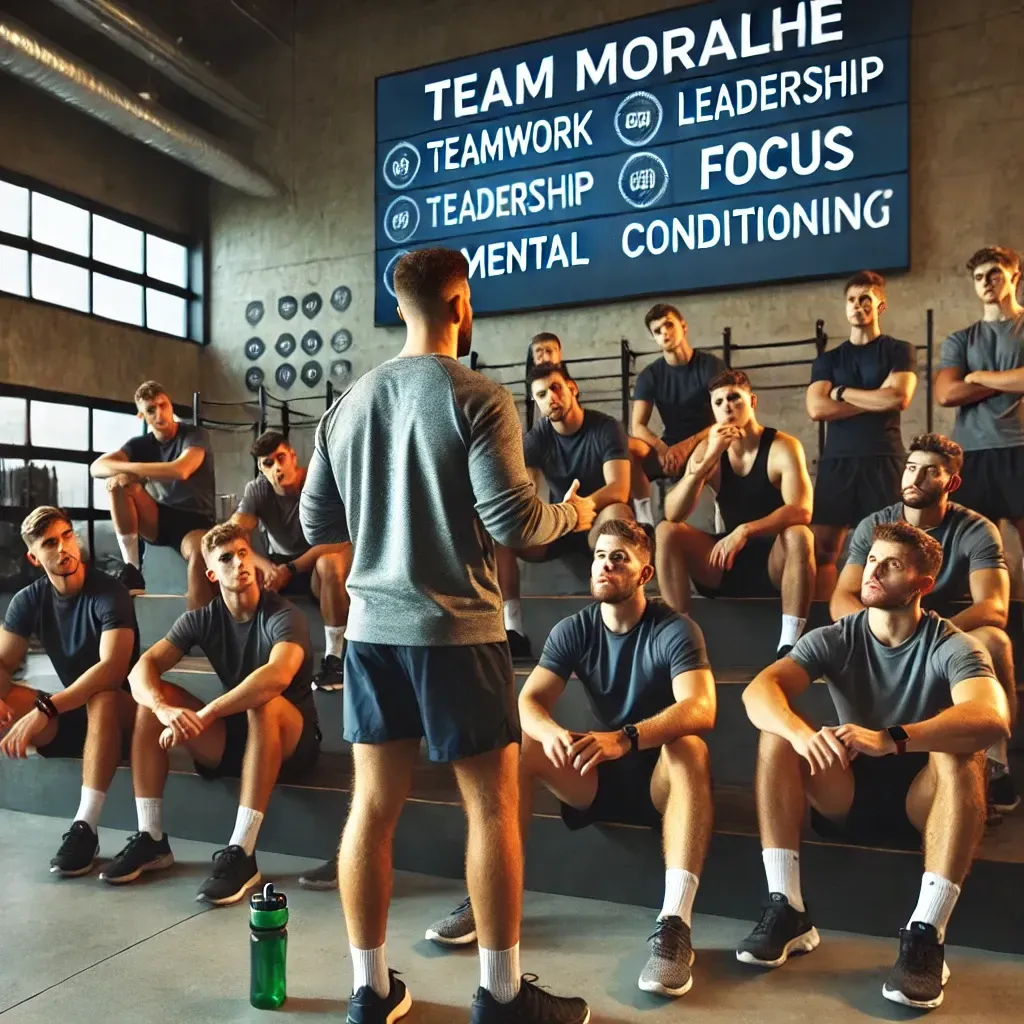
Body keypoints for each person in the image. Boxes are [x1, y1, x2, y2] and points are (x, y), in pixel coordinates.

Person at [299, 246, 593, 1023]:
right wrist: (579, 514)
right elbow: (518, 523)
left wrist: (381, 514)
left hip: (369, 635)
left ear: (401, 306)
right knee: (493, 810)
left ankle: (370, 991)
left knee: (371, 808)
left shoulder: (348, 403)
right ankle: (501, 998)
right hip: (457, 633)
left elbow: (313, 523)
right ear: (461, 305)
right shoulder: (481, 397)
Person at [425, 519, 716, 1000]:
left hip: (660, 780)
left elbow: (701, 708)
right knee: (522, 747)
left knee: (690, 747)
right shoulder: (574, 628)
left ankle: (674, 927)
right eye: (601, 555)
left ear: (645, 574)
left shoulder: (675, 628)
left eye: (619, 557)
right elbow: (529, 702)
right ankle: (486, 901)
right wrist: (554, 733)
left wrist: (626, 737)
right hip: (598, 776)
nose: (606, 564)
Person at [738, 521, 1009, 1010]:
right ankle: (787, 909)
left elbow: (991, 717)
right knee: (776, 735)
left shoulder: (952, 644)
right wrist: (801, 733)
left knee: (960, 751)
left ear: (921, 586)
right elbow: (760, 690)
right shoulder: (838, 636)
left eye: (892, 565)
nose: (873, 571)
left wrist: (894, 739)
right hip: (850, 788)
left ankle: (927, 933)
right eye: (872, 560)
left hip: (925, 802)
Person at [101, 522, 321, 906]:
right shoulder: (202, 618)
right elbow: (140, 669)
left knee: (262, 701)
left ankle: (243, 852)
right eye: (226, 558)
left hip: (292, 740)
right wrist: (163, 708)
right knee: (151, 699)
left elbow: (275, 677)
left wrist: (205, 715)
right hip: (237, 736)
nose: (239, 563)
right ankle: (151, 837)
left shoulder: (283, 615)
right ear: (211, 573)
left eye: (243, 553)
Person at [831, 433, 1018, 813]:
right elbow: (842, 596)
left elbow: (994, 607)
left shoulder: (975, 528)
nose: (915, 479)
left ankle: (997, 765)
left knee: (996, 641)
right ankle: (862, 748)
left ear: (952, 482)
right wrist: (878, 629)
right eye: (911, 468)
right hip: (884, 627)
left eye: (930, 472)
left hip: (943, 631)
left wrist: (928, 632)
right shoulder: (875, 525)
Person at [0, 507, 138, 877]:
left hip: (124, 719)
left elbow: (112, 670)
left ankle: (85, 826)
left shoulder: (110, 592)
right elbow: (2, 663)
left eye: (66, 536)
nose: (63, 548)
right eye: (49, 543)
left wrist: (46, 708)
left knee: (103, 696)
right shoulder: (28, 599)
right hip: (71, 714)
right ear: (34, 556)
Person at [656, 370, 815, 658]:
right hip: (724, 564)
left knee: (799, 534)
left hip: (775, 565)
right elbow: (672, 513)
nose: (727, 407)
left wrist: (744, 530)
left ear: (751, 401)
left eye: (734, 398)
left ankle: (790, 645)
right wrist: (707, 460)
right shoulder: (710, 448)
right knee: (666, 531)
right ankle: (680, 638)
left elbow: (802, 509)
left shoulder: (782, 447)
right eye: (718, 402)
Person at [499, 361, 633, 660]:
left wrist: (583, 507)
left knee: (619, 513)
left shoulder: (606, 427)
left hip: (598, 524)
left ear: (572, 389)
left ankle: (621, 627)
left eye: (556, 388)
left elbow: (619, 487)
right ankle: (514, 630)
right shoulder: (539, 436)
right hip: (560, 524)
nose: (550, 398)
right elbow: (515, 482)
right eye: (541, 394)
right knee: (501, 528)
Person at [806, 272, 917, 599]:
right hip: (838, 461)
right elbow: (816, 408)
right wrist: (873, 397)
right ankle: (825, 628)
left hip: (883, 458)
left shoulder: (899, 350)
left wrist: (841, 392)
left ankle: (886, 625)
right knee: (823, 551)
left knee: (891, 548)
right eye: (852, 300)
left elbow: (898, 398)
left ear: (879, 305)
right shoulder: (829, 359)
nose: (857, 305)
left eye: (865, 299)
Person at [232, 429, 352, 692]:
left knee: (330, 563)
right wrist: (267, 567)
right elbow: (234, 536)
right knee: (239, 567)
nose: (277, 467)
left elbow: (343, 537)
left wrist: (292, 567)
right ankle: (244, 657)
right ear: (260, 469)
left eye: (281, 458)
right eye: (268, 463)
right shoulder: (258, 490)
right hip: (279, 565)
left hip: (315, 565)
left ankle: (335, 660)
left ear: (293, 457)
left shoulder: (319, 483)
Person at [90, 381, 217, 610]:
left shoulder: (195, 435)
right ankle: (132, 569)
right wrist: (128, 473)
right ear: (142, 416)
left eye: (163, 405)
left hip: (195, 521)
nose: (159, 414)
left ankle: (196, 626)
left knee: (200, 551)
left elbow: (181, 470)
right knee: (117, 484)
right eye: (151, 409)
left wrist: (132, 469)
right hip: (158, 518)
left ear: (170, 406)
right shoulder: (139, 444)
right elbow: (97, 467)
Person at [935, 246, 1024, 559]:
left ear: (1015, 276)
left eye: (995, 273)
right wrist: (1008, 381)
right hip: (972, 453)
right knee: (978, 547)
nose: (986, 281)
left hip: (1019, 447)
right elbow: (946, 393)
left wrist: (978, 377)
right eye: (979, 277)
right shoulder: (961, 339)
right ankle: (988, 609)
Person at [630, 303, 726, 528]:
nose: (664, 333)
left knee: (713, 451)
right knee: (628, 448)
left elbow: (726, 419)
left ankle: (724, 515)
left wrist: (686, 446)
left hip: (709, 439)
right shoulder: (650, 375)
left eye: (668, 325)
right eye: (657, 331)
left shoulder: (711, 366)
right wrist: (664, 450)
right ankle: (644, 521)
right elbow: (638, 426)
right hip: (670, 448)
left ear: (683, 326)